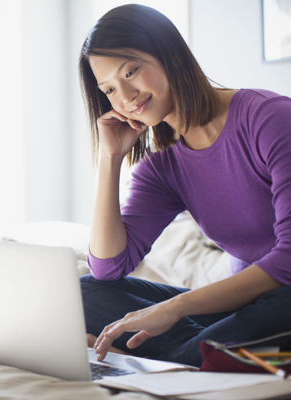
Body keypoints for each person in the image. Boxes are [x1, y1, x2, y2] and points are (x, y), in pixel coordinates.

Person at [78, 3, 291, 368]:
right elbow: (108, 269)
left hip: (281, 303)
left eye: (131, 71)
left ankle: (182, 359)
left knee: (277, 306)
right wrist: (109, 159)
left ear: (168, 53)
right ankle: (219, 357)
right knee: (84, 293)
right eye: (110, 89)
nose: (126, 95)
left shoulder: (269, 118)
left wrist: (175, 308)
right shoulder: (162, 164)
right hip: (246, 312)